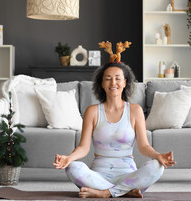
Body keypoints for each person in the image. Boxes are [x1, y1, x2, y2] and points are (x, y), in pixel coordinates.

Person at [52, 62, 176, 198]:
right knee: (72, 167)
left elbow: (144, 146)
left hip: (128, 175)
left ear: (125, 82)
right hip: (99, 176)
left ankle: (105, 193)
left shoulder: (135, 110)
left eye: (118, 78)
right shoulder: (92, 111)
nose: (113, 82)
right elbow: (83, 147)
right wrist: (69, 158)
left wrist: (158, 155)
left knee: (157, 166)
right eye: (108, 78)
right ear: (102, 84)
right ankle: (124, 192)